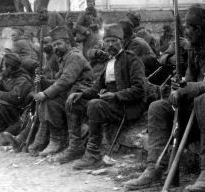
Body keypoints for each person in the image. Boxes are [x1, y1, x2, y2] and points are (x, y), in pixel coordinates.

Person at [124, 4, 205, 192]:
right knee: (158, 107)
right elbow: (190, 77)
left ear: (199, 29)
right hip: (197, 112)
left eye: (189, 27)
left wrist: (198, 87)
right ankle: (155, 167)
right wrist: (180, 87)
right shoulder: (195, 47)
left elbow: (200, 86)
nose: (186, 32)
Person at [61, 23, 147, 169]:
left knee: (95, 104)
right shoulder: (109, 62)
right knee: (74, 101)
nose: (111, 44)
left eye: (114, 40)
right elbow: (96, 88)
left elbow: (139, 89)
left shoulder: (131, 59)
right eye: (108, 41)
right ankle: (75, 146)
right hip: (112, 103)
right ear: (103, 43)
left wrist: (115, 95)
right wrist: (80, 94)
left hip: (128, 106)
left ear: (122, 41)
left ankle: (93, 154)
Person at [28, 26, 94, 157]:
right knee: (49, 102)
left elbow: (66, 80)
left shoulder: (74, 57)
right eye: (54, 45)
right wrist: (43, 81)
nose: (56, 47)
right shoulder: (65, 58)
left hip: (82, 94)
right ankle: (53, 139)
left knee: (49, 101)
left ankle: (57, 140)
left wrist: (45, 93)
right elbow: (59, 81)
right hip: (70, 92)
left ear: (68, 43)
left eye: (59, 44)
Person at [0, 52, 33, 145]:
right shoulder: (8, 75)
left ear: (10, 68)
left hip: (17, 111)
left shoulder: (22, 79)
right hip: (7, 107)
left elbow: (15, 97)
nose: (2, 68)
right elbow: (1, 89)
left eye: (4, 66)